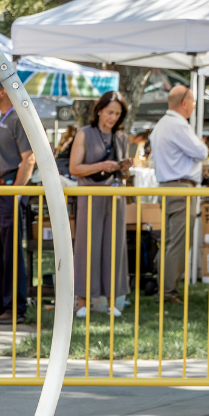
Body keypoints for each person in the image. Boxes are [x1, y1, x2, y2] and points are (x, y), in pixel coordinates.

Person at [68, 91, 131, 318]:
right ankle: (82, 302)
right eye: (109, 112)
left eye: (117, 113)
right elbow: (75, 168)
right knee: (87, 247)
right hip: (90, 194)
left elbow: (123, 173)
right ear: (100, 110)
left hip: (115, 195)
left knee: (115, 246)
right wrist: (102, 166)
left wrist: (124, 169)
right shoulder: (85, 133)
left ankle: (113, 302)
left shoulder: (122, 138)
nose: (113, 117)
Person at [0, 77, 36, 324]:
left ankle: (15, 308)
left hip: (7, 190)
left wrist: (16, 192)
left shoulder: (18, 118)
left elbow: (29, 158)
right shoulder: (3, 119)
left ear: (3, 92)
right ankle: (2, 306)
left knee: (10, 251)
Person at [150, 85, 208, 302]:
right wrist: (200, 145)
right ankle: (167, 292)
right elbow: (201, 152)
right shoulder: (178, 125)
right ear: (185, 103)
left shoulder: (161, 125)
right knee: (178, 242)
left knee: (168, 241)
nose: (194, 107)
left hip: (167, 186)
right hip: (181, 188)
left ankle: (163, 287)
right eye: (193, 102)